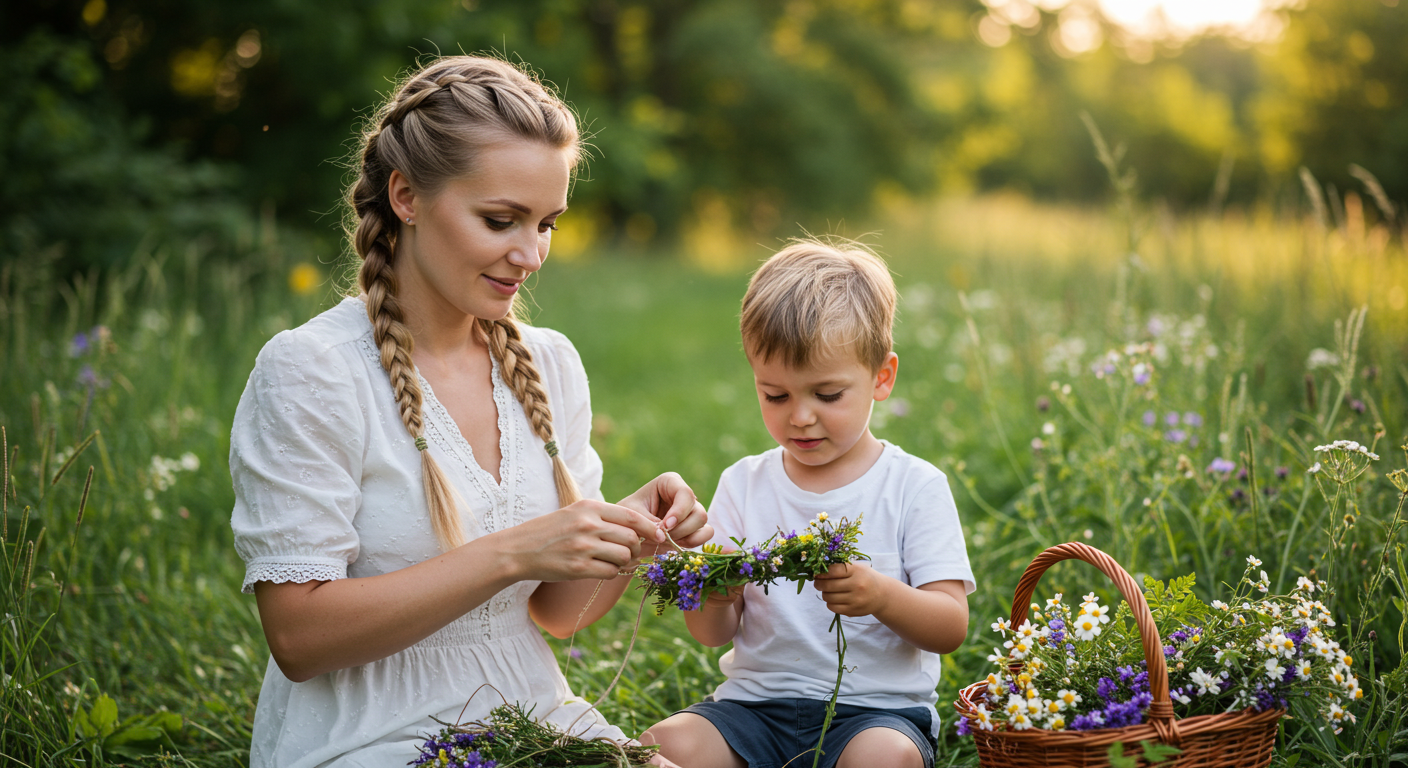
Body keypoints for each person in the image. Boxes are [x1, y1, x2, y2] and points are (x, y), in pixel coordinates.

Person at [228, 55, 711, 768]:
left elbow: (555, 614)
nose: (531, 254)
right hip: (364, 734)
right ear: (407, 196)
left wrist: (623, 535)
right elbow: (299, 640)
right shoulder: (313, 372)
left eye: (546, 224)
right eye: (500, 220)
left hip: (526, 714)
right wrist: (514, 551)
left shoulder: (548, 365)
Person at [641, 239, 976, 768]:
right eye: (776, 395)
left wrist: (881, 596)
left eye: (826, 395)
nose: (799, 417)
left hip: (872, 716)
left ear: (881, 378)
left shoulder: (914, 485)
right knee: (663, 747)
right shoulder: (744, 484)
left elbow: (950, 626)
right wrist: (717, 597)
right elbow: (711, 636)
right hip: (754, 710)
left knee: (882, 759)